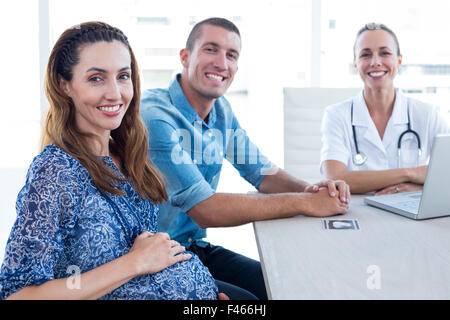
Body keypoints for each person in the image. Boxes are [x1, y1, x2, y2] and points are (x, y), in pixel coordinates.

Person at [0, 21, 220, 300]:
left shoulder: (127, 153)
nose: (115, 93)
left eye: (123, 76)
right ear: (64, 84)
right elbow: (19, 294)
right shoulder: (55, 171)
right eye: (96, 78)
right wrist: (133, 263)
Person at [140, 17, 350, 300]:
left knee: (284, 286)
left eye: (231, 55)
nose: (221, 63)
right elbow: (205, 209)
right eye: (211, 49)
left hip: (192, 247)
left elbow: (262, 173)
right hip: (152, 260)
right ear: (185, 57)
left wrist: (314, 189)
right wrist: (305, 203)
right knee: (250, 303)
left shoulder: (221, 111)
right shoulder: (155, 116)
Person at [320, 23, 450, 195]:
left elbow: (446, 172)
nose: (375, 62)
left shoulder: (427, 114)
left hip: (412, 212)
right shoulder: (336, 115)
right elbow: (335, 178)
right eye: (365, 55)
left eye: (385, 53)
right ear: (356, 64)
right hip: (357, 212)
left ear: (399, 60)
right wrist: (410, 173)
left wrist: (418, 186)